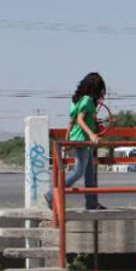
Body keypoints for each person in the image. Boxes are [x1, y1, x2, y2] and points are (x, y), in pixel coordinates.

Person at [45, 72, 106, 210]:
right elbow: (80, 119)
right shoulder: (88, 101)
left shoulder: (79, 100)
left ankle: (92, 203)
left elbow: (72, 122)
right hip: (82, 140)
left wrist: (67, 140)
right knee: (78, 171)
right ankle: (51, 195)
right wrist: (91, 134)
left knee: (90, 173)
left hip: (79, 139)